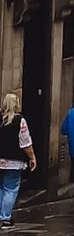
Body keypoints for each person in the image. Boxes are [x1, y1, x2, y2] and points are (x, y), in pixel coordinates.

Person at [0, 93, 36, 226]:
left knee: (0, 187)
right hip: (13, 161)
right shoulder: (19, 120)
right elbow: (25, 142)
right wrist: (32, 157)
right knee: (10, 188)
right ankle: (5, 217)